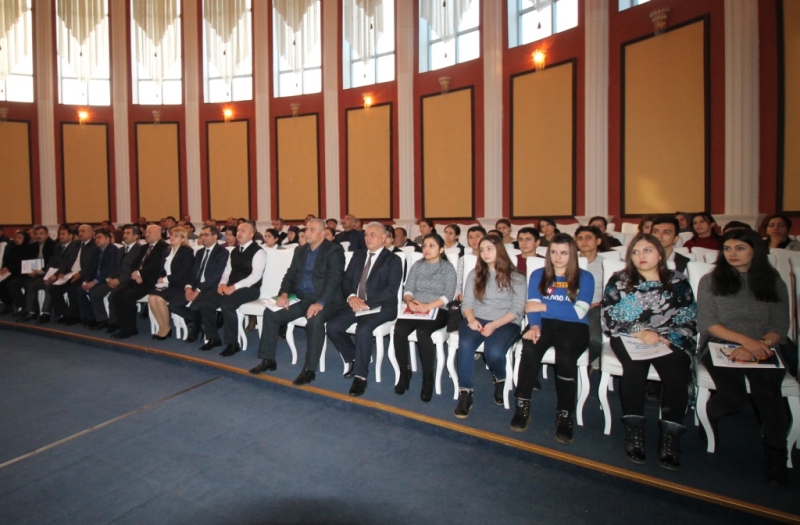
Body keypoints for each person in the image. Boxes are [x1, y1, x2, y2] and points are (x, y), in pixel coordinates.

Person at [697, 229, 791, 487]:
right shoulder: (711, 280)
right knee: (733, 397)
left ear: (755, 250)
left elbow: (779, 326)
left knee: (768, 393)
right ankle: (709, 414)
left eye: (740, 248)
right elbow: (708, 324)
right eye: (727, 248)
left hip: (764, 344)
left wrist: (759, 345)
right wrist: (745, 342)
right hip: (719, 343)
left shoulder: (773, 282)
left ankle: (776, 454)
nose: (732, 254)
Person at [602, 233, 697, 469]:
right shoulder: (620, 280)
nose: (640, 256)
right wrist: (638, 332)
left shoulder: (677, 281)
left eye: (647, 250)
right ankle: (634, 431)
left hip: (669, 337)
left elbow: (688, 317)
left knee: (676, 372)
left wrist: (668, 337)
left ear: (660, 254)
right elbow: (609, 316)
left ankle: (670, 436)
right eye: (635, 252)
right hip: (628, 335)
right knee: (634, 370)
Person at [511, 234, 594, 442]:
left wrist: (544, 306)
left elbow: (579, 312)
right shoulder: (538, 274)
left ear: (572, 254)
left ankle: (565, 414)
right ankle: (522, 404)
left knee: (565, 357)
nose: (558, 257)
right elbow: (532, 307)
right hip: (543, 323)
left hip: (575, 326)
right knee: (530, 348)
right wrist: (535, 326)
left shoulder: (585, 277)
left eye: (564, 253)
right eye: (554, 252)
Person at [251, 219, 345, 385]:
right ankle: (268, 359)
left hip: (326, 299)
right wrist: (284, 294)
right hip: (301, 297)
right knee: (271, 313)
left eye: (312, 230)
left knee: (315, 320)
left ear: (323, 233)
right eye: (307, 229)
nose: (307, 232)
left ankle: (309, 369)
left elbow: (334, 280)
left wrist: (320, 302)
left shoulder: (334, 250)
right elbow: (290, 274)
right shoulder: (300, 250)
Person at [327, 222, 403, 397]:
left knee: (363, 329)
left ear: (384, 238)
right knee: (332, 326)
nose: (368, 238)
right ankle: (355, 356)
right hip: (356, 303)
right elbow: (346, 280)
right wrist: (351, 297)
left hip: (381, 306)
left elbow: (391, 290)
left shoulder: (393, 260)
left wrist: (367, 303)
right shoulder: (358, 255)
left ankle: (360, 376)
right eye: (366, 234)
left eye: (372, 234)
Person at [454, 235, 526, 419]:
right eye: (482, 250)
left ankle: (500, 378)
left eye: (489, 249)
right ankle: (465, 391)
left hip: (506, 321)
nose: (485, 253)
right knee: (466, 345)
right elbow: (467, 303)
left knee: (493, 353)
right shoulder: (475, 274)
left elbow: (517, 309)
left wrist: (495, 324)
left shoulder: (516, 276)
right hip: (477, 318)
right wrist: (470, 318)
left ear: (499, 250)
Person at [392, 233, 457, 401]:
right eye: (425, 245)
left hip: (438, 309)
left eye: (432, 246)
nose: (426, 249)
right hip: (415, 306)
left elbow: (448, 295)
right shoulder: (418, 265)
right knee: (399, 330)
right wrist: (410, 302)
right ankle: (404, 372)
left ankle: (428, 378)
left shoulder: (447, 268)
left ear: (441, 249)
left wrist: (427, 306)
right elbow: (408, 289)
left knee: (423, 332)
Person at [196, 222, 266, 356]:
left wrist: (235, 286)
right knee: (206, 303)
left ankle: (233, 344)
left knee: (227, 305)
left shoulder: (259, 252)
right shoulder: (234, 251)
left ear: (251, 235)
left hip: (250, 288)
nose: (239, 233)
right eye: (238, 231)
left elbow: (256, 276)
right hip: (231, 286)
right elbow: (227, 271)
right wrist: (222, 283)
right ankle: (213, 338)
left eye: (243, 231)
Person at [169, 225, 229, 343]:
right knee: (174, 305)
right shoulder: (200, 252)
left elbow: (216, 276)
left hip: (210, 287)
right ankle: (201, 323)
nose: (203, 237)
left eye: (206, 235)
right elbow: (192, 272)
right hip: (196, 286)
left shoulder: (222, 252)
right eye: (202, 235)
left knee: (195, 307)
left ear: (215, 236)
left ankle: (195, 330)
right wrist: (188, 287)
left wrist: (198, 290)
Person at [109, 225, 170, 339]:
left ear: (158, 234)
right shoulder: (144, 247)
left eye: (149, 232)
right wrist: (135, 273)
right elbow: (134, 263)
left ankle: (131, 328)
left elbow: (157, 266)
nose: (146, 234)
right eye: (146, 232)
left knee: (128, 295)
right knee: (116, 294)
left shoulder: (164, 247)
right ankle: (122, 325)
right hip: (137, 278)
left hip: (151, 281)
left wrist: (140, 274)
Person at [20, 226, 77, 323]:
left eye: (63, 234)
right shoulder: (58, 247)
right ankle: (31, 311)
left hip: (64, 275)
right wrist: (47, 275)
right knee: (31, 285)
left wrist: (55, 275)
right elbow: (51, 262)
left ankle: (45, 313)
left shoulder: (74, 248)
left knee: (49, 287)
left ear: (71, 236)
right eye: (60, 234)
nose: (60, 236)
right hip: (51, 274)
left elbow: (67, 264)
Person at [147, 226, 194, 340]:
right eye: (171, 235)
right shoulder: (167, 250)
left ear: (183, 239)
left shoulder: (187, 251)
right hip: (167, 283)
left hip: (180, 284)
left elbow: (184, 272)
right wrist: (161, 277)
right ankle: (162, 326)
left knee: (159, 299)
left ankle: (166, 328)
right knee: (151, 298)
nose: (172, 237)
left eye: (176, 236)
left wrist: (165, 279)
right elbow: (162, 268)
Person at [94, 225, 144, 332]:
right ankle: (102, 319)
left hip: (128, 280)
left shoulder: (140, 250)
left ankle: (115, 322)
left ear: (136, 236)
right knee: (95, 292)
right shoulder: (120, 250)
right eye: (124, 233)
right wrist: (109, 278)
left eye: (128, 233)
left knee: (113, 296)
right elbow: (114, 267)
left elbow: (134, 269)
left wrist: (119, 280)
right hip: (115, 279)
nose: (124, 235)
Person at [50, 224, 97, 324]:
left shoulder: (94, 246)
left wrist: (80, 274)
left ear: (91, 233)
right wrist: (61, 272)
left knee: (72, 288)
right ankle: (64, 313)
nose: (80, 233)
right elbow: (66, 260)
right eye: (79, 231)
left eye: (83, 231)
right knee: (54, 288)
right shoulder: (75, 244)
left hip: (84, 275)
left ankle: (75, 316)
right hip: (69, 274)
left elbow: (91, 265)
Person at [6, 225, 56, 315]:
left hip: (45, 272)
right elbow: (27, 260)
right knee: (12, 284)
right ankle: (24, 306)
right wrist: (28, 270)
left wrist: (38, 271)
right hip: (32, 272)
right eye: (36, 234)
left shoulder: (53, 245)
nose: (38, 236)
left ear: (47, 234)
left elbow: (52, 263)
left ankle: (32, 311)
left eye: (41, 234)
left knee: (28, 284)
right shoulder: (33, 246)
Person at [76, 228, 119, 327]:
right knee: (79, 291)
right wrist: (86, 281)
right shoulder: (95, 250)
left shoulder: (113, 250)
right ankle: (90, 316)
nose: (97, 240)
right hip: (96, 279)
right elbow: (90, 268)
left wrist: (94, 282)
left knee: (95, 292)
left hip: (107, 279)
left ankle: (102, 320)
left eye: (100, 237)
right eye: (95, 238)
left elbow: (109, 270)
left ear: (107, 238)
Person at [574, 226, 604, 365]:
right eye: (580, 238)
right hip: (569, 306)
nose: (584, 241)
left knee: (595, 340)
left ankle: (585, 364)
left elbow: (616, 291)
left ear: (598, 241)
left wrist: (603, 302)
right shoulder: (568, 261)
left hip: (594, 308)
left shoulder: (606, 264)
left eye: (588, 238)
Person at [0, 230, 38, 314]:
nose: (17, 239)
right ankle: (8, 305)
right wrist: (5, 267)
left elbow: (23, 264)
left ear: (25, 239)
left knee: (10, 284)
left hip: (22, 273)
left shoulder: (28, 249)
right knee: (2, 283)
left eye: (20, 238)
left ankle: (23, 306)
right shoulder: (12, 247)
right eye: (16, 237)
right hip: (12, 271)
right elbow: (7, 259)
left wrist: (10, 269)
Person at [455, 225, 486, 300]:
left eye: (477, 236)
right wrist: (458, 293)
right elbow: (458, 281)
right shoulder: (463, 259)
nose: (474, 240)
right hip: (467, 296)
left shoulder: (491, 258)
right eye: (470, 237)